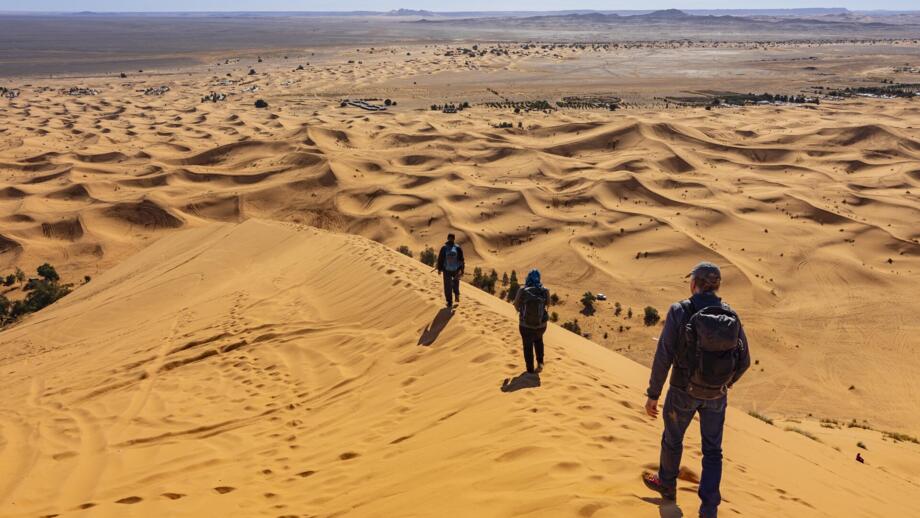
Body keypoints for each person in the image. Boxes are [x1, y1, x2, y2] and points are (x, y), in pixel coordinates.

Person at [641, 262, 751, 518]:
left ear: (694, 284)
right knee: (713, 451)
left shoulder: (680, 311)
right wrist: (725, 384)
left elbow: (663, 356)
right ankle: (709, 509)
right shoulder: (730, 315)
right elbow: (744, 361)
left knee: (672, 440)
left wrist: (653, 394)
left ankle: (667, 488)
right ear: (717, 286)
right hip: (716, 397)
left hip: (682, 392)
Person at [512, 269, 549, 374]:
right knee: (538, 341)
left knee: (527, 346)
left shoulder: (522, 290)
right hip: (541, 326)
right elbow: (548, 304)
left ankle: (530, 370)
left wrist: (523, 312)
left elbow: (516, 305)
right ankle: (540, 363)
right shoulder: (545, 290)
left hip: (525, 325)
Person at [436, 233, 464, 308]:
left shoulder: (444, 248)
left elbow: (440, 259)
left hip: (448, 270)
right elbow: (462, 260)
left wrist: (439, 269)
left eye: (451, 238)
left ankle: (449, 302)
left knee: (448, 286)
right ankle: (456, 296)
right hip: (455, 269)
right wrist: (462, 270)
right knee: (455, 283)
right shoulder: (457, 247)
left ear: (447, 238)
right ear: (454, 239)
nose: (451, 239)